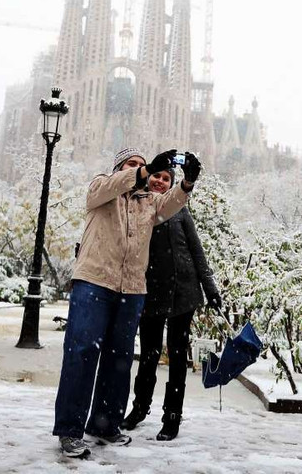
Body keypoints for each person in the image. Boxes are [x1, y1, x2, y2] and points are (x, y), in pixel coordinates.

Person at [53, 147, 202, 459]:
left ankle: (105, 424)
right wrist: (141, 172)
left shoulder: (149, 203)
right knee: (82, 352)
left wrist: (187, 183)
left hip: (132, 289)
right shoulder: (102, 188)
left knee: (119, 358)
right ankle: (70, 430)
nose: (139, 169)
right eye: (132, 164)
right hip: (95, 280)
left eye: (141, 164)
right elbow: (108, 187)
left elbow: (171, 204)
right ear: (119, 167)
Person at [121, 165, 222, 441]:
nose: (161, 182)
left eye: (167, 179)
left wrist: (210, 288)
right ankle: (139, 408)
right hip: (150, 291)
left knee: (177, 356)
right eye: (157, 177)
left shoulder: (180, 210)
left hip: (183, 291)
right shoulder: (138, 208)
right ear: (148, 177)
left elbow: (197, 251)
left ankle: (172, 416)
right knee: (149, 355)